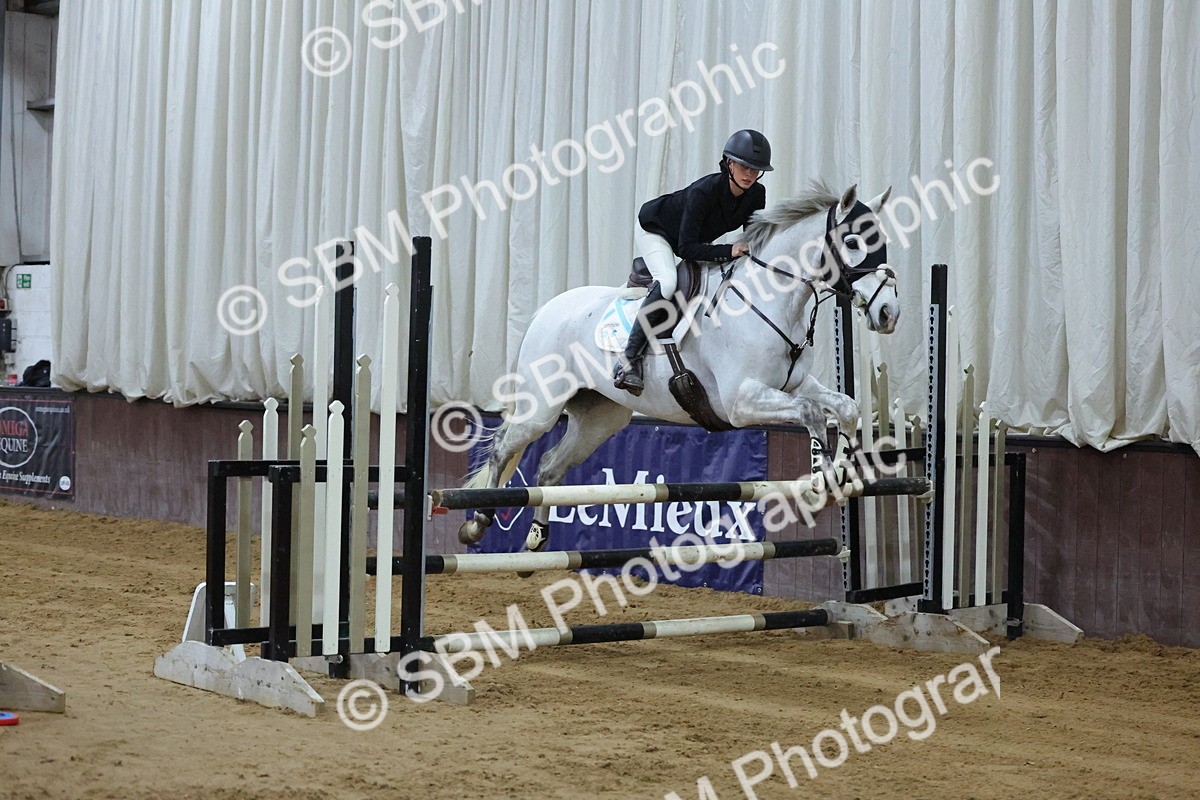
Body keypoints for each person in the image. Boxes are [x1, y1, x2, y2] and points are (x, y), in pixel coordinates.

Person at [613, 129, 772, 396]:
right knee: (668, 282)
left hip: (693, 238)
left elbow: (752, 238)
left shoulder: (757, 194)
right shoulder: (703, 192)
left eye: (756, 170)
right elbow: (687, 249)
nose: (749, 175)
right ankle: (629, 360)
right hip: (657, 230)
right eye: (744, 166)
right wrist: (729, 250)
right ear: (729, 164)